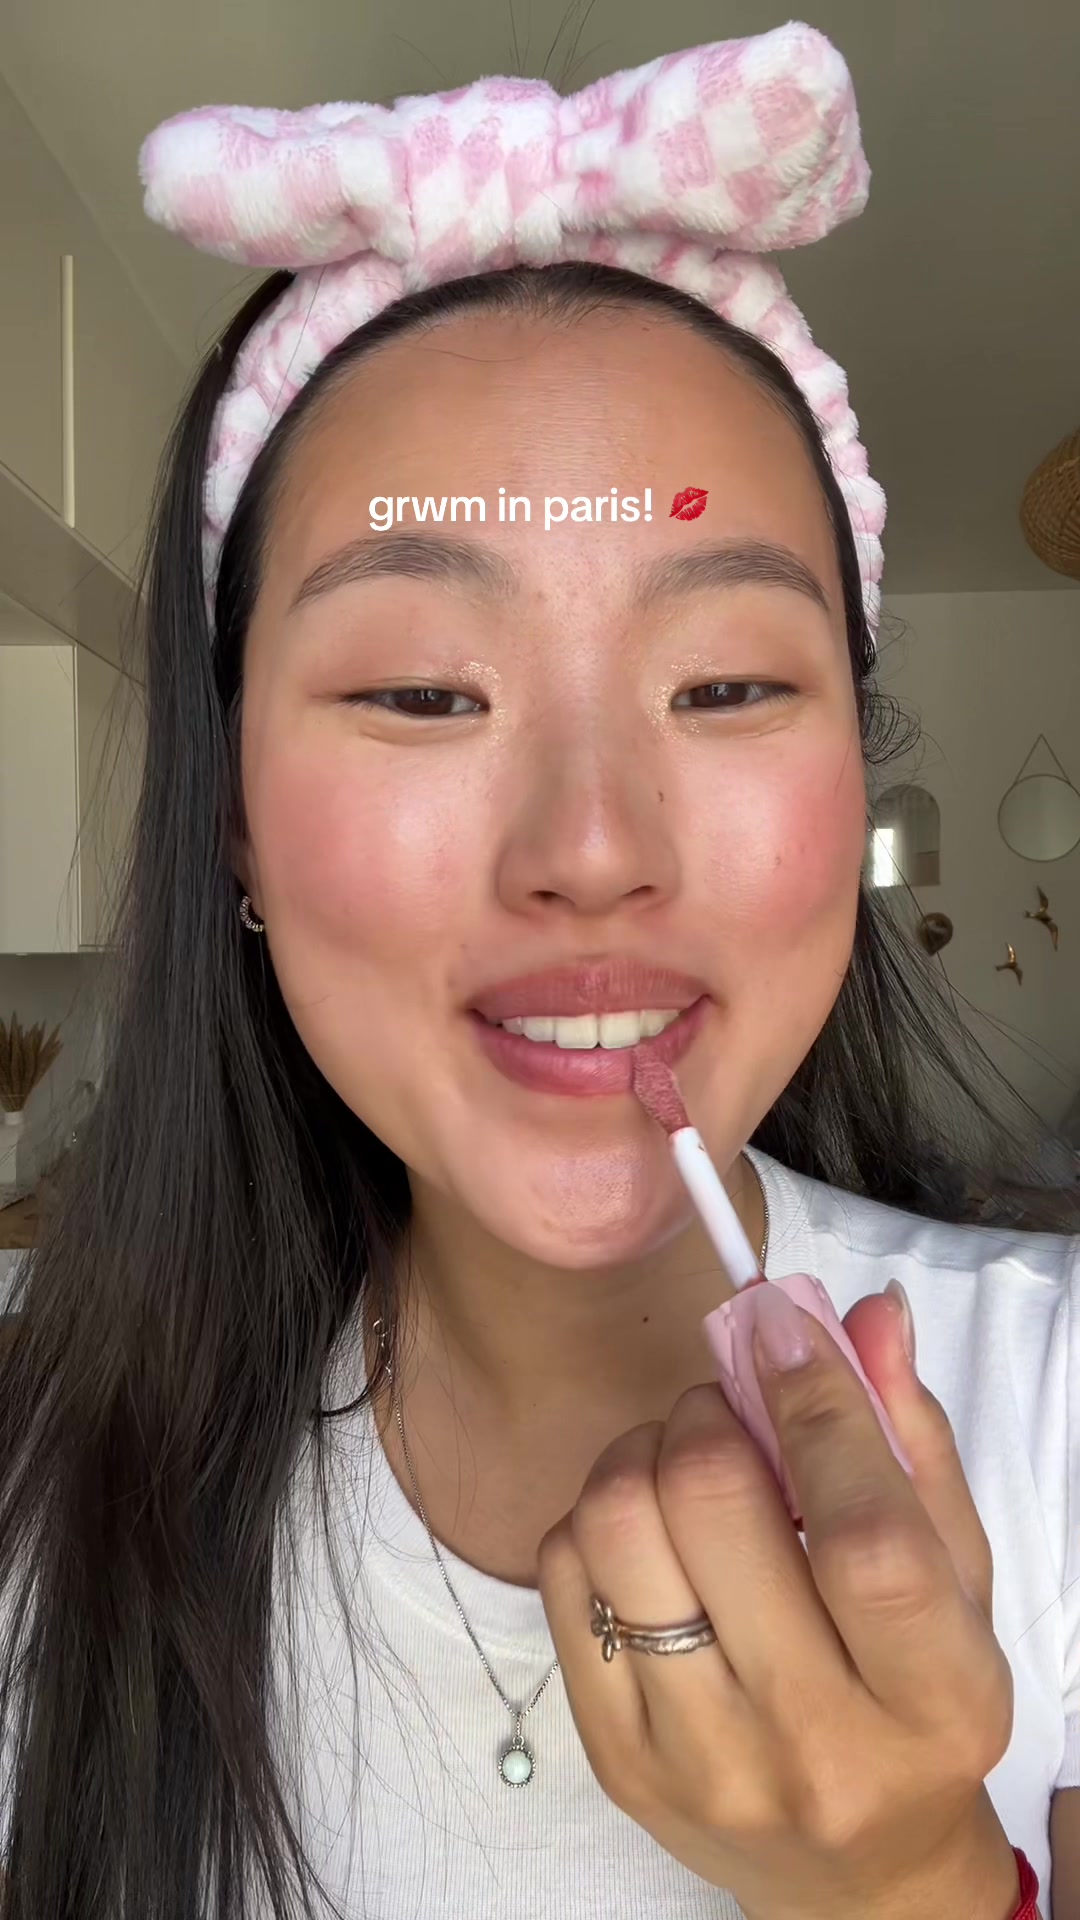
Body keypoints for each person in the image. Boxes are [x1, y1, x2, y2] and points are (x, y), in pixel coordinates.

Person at [0, 24, 1073, 1920]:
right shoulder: (36, 1487)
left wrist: (919, 1884)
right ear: (232, 814)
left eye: (724, 685)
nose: (590, 845)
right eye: (426, 693)